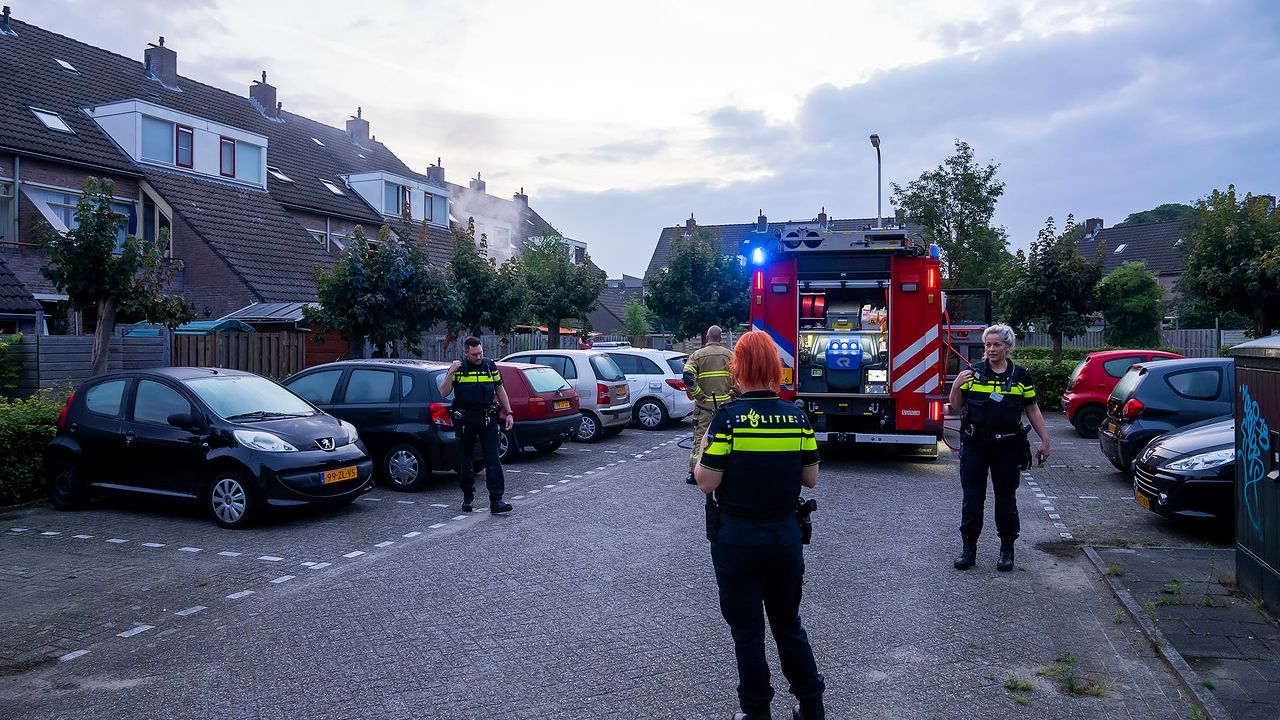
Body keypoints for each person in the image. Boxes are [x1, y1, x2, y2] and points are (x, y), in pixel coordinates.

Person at [695, 330, 825, 720]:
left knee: (748, 632)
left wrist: (704, 447)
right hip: (785, 537)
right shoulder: (796, 417)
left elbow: (707, 481)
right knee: (788, 625)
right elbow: (810, 478)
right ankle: (812, 706)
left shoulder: (728, 420)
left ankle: (756, 713)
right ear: (773, 368)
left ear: (739, 369)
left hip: (737, 539)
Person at [948, 324, 1050, 572]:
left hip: (1006, 446)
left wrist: (1045, 440)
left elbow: (1032, 409)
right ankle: (968, 549)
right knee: (972, 498)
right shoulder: (972, 372)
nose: (991, 349)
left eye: (996, 345)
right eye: (987, 345)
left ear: (1008, 347)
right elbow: (955, 406)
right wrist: (956, 384)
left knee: (1006, 499)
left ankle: (1007, 550)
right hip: (975, 445)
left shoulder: (1021, 376)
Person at [438, 336, 515, 514]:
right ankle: (468, 497)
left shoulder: (490, 366)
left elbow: (500, 389)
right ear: (466, 353)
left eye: (480, 353)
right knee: (466, 461)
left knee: (493, 459)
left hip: (487, 418)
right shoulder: (458, 369)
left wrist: (509, 412)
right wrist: (451, 371)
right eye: (474, 354)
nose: (479, 357)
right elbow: (443, 392)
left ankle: (496, 500)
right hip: (465, 421)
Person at [683, 324, 735, 484]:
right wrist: (733, 394)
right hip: (725, 408)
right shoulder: (730, 355)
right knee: (726, 439)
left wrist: (699, 395)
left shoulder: (697, 355)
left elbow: (687, 376)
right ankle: (726, 471)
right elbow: (739, 377)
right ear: (721, 338)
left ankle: (694, 474)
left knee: (700, 440)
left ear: (707, 337)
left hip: (704, 408)